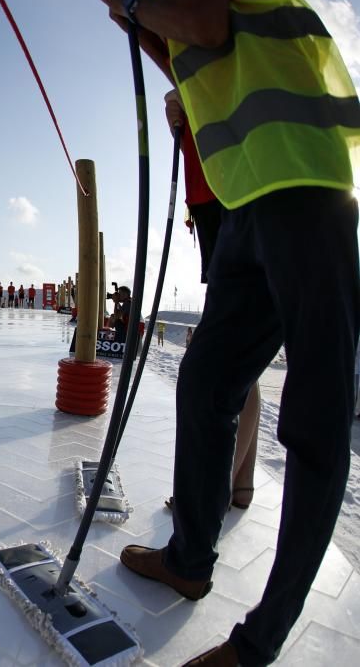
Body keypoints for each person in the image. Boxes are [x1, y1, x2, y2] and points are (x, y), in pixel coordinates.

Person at [99, 0, 360, 666]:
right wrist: (145, 26)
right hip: (245, 195)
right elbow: (200, 46)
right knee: (208, 380)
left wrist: (129, 5)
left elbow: (207, 24)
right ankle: (189, 559)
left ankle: (258, 644)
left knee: (313, 418)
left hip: (300, 179)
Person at [165, 90, 259, 512]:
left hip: (226, 184)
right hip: (211, 189)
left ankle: (216, 488)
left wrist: (184, 94)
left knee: (231, 345)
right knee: (241, 337)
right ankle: (241, 481)